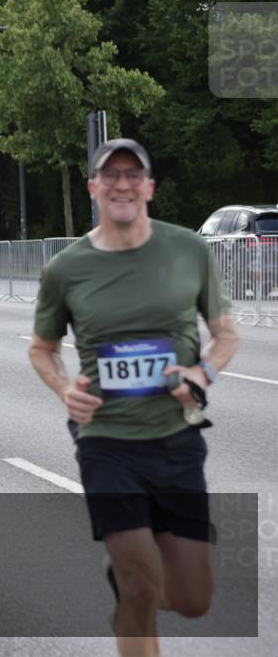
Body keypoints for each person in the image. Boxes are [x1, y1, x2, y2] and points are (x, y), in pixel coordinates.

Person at [28, 139, 238, 657]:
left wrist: (202, 373)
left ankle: (126, 578)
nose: (122, 184)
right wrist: (63, 389)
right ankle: (131, 579)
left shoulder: (188, 249)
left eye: (133, 175)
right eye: (111, 175)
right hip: (106, 440)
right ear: (94, 187)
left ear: (149, 187)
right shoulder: (66, 268)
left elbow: (226, 333)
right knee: (142, 583)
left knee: (192, 600)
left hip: (177, 437)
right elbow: (42, 349)